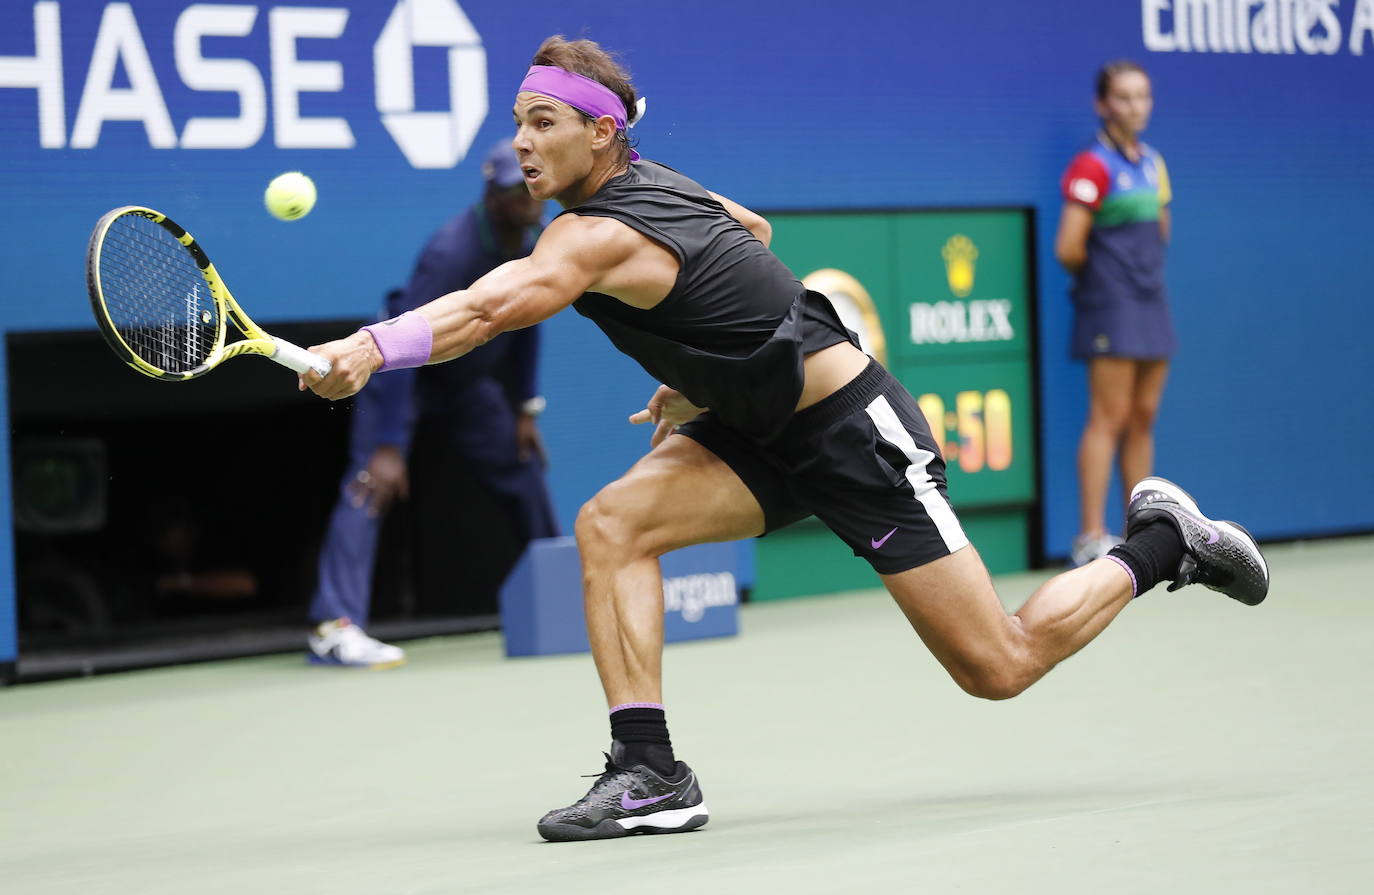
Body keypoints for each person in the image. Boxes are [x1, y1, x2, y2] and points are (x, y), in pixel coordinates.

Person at [301, 36, 1269, 840]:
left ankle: (1165, 542)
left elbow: (485, 309)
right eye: (517, 121)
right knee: (612, 525)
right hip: (756, 424)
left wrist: (368, 347)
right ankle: (650, 772)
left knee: (999, 666)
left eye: (541, 122)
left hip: (854, 435)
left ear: (602, 133)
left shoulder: (586, 235)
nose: (521, 142)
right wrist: (707, 373)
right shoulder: (656, 183)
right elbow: (750, 232)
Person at [306, 142, 559, 669]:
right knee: (370, 484)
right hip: (402, 375)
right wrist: (389, 445)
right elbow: (403, 340)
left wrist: (523, 409)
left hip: (467, 384)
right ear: (492, 196)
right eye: (515, 189)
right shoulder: (451, 252)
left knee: (523, 467)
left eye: (530, 186)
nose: (529, 198)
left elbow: (529, 320)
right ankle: (336, 627)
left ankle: (563, 598)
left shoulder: (534, 238)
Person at [1055, 60, 1177, 567]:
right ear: (1103, 105)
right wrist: (1108, 281)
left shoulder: (1153, 162)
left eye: (1143, 96)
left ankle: (1141, 532)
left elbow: (1161, 231)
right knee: (1108, 417)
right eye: (1124, 97)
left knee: (1142, 417)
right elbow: (1068, 247)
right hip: (1111, 304)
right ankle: (1090, 536)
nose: (1136, 106)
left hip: (1150, 300)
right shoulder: (1092, 165)